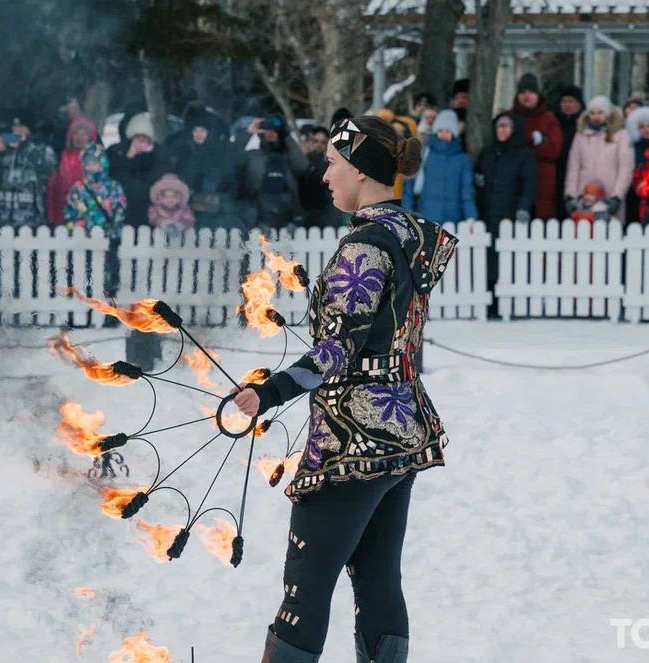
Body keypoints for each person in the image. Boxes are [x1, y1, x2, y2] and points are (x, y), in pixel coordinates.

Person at [233, 115, 455, 663]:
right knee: (378, 580)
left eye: (332, 164)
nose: (325, 176)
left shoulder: (364, 245)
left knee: (305, 584)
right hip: (402, 429)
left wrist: (268, 391)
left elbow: (337, 350)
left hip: (350, 441)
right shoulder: (411, 234)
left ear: (359, 169)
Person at [564, 96, 633, 220]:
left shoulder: (621, 135)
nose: (596, 116)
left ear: (608, 114)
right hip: (584, 196)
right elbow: (573, 168)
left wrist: (617, 196)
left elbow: (625, 169)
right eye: (592, 113)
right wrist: (570, 195)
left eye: (600, 112)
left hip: (610, 195)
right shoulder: (581, 136)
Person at [236, 114, 309, 228]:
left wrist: (287, 135)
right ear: (261, 132)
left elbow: (303, 166)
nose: (271, 133)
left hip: (286, 216)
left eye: (275, 131)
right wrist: (248, 133)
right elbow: (231, 158)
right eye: (268, 130)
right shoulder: (253, 155)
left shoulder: (288, 157)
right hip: (257, 216)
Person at [0, 111, 57, 228]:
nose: (16, 131)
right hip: (4, 218)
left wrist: (27, 144)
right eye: (14, 128)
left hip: (31, 219)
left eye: (21, 128)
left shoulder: (42, 149)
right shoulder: (5, 149)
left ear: (29, 130)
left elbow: (48, 171)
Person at [403, 110, 476, 223]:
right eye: (440, 130)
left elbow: (467, 191)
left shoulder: (463, 160)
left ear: (454, 133)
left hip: (453, 219)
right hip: (426, 217)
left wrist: (471, 216)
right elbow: (409, 186)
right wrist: (407, 213)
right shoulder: (424, 154)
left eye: (448, 131)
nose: (444, 134)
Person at [170, 108, 235, 230]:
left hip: (213, 211)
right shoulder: (184, 153)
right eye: (195, 130)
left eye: (203, 130)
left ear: (209, 132)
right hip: (186, 209)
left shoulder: (219, 154)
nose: (198, 134)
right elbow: (178, 177)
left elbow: (226, 181)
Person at [511, 73, 563, 219]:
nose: (526, 96)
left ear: (538, 95)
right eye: (522, 92)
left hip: (543, 184)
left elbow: (554, 150)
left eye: (531, 92)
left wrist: (530, 145)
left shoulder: (549, 119)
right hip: (515, 181)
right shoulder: (510, 117)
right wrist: (534, 140)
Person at [474, 112, 537, 225]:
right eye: (499, 126)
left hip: (512, 214)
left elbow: (529, 185)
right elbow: (478, 175)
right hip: (486, 214)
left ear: (515, 129)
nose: (502, 130)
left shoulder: (524, 154)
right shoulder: (487, 153)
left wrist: (523, 207)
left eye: (506, 126)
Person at [108, 112, 167, 228]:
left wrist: (148, 156)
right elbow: (114, 174)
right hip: (123, 205)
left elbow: (162, 176)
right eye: (138, 138)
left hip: (149, 206)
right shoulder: (118, 151)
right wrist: (129, 157)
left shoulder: (159, 152)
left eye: (145, 138)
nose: (141, 142)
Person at [64, 142, 127, 237]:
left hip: (109, 236)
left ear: (102, 162)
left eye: (94, 163)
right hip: (84, 237)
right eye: (86, 164)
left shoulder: (113, 186)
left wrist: (113, 227)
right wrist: (77, 227)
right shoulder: (78, 187)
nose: (90, 167)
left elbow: (120, 209)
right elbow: (70, 210)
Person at [46, 115, 99, 226]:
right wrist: (52, 217)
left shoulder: (98, 161)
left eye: (84, 134)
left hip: (90, 217)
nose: (79, 138)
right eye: (76, 134)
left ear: (90, 137)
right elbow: (52, 190)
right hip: (63, 217)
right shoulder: (61, 158)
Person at [553, 84, 585, 208]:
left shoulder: (584, 126)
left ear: (579, 103)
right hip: (557, 176)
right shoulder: (554, 123)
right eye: (564, 101)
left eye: (570, 101)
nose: (567, 105)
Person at [298, 125, 335, 227]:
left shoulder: (330, 164)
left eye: (323, 142)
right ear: (310, 141)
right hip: (303, 214)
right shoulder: (301, 161)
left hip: (324, 215)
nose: (319, 145)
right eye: (316, 141)